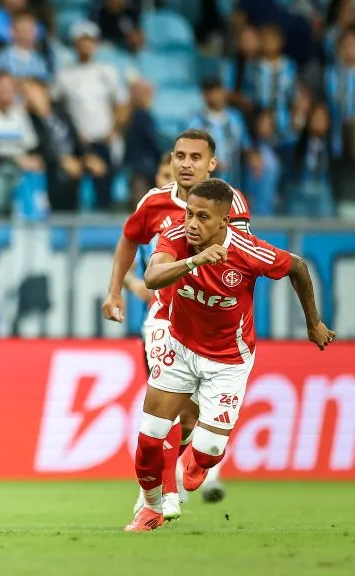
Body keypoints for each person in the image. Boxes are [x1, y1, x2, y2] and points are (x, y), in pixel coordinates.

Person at [125, 178, 334, 531]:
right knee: (149, 439)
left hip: (228, 361)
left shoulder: (249, 252)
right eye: (189, 213)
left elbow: (297, 267)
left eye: (203, 217)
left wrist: (313, 323)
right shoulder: (176, 236)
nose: (192, 223)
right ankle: (151, 508)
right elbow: (153, 275)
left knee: (205, 455)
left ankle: (199, 456)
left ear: (224, 221)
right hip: (179, 347)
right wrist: (195, 261)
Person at [102, 129, 252, 521]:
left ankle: (156, 481)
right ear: (171, 160)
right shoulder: (154, 202)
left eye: (195, 157)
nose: (186, 164)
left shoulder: (231, 203)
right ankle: (164, 495)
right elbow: (129, 239)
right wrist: (115, 290)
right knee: (163, 409)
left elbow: (239, 257)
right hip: (165, 317)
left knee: (188, 419)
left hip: (209, 326)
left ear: (211, 164)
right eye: (179, 156)